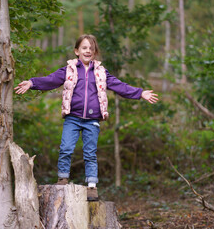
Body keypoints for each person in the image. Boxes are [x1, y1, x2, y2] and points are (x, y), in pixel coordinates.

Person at [14, 34, 158, 201]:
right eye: (84, 47)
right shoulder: (69, 70)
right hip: (72, 117)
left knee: (90, 153)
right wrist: (32, 83)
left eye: (91, 48)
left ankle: (91, 186)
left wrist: (140, 93)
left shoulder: (101, 73)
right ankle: (62, 179)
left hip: (92, 120)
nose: (88, 50)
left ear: (95, 52)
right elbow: (50, 80)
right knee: (66, 148)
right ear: (77, 51)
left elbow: (120, 86)